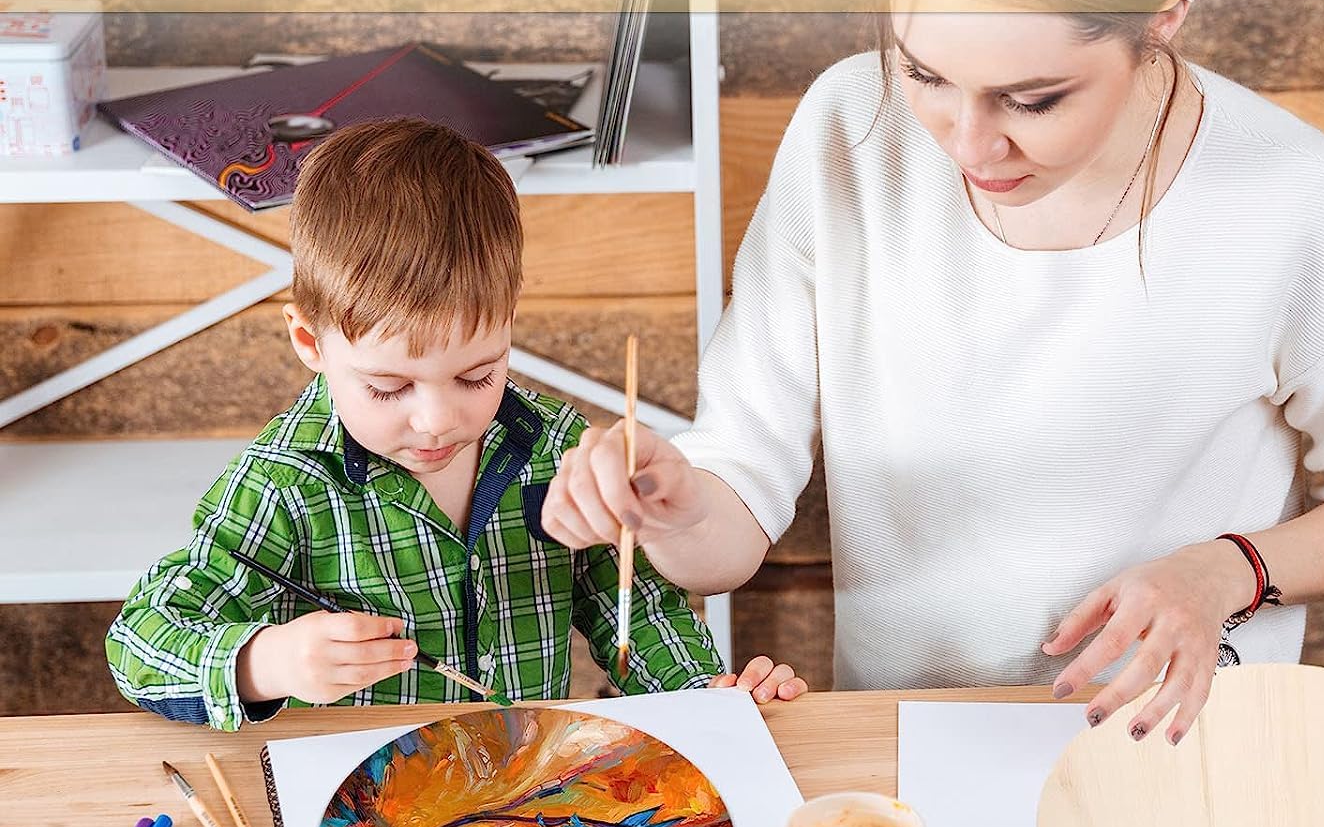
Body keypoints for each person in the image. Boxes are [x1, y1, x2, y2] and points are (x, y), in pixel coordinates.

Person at [539, 0, 1324, 742]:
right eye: (924, 72)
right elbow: (731, 517)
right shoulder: (847, 129)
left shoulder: (1302, 201)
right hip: (909, 748)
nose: (967, 147)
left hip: (1175, 756)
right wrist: (670, 502)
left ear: (1165, 9)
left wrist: (1225, 570)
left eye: (1033, 100)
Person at [105, 118, 806, 730]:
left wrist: (699, 694)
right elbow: (140, 644)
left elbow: (634, 607)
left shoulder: (554, 448)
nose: (438, 421)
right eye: (388, 387)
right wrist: (267, 662)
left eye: (477, 376)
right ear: (310, 342)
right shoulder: (285, 486)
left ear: (508, 324)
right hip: (368, 806)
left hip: (524, 788)